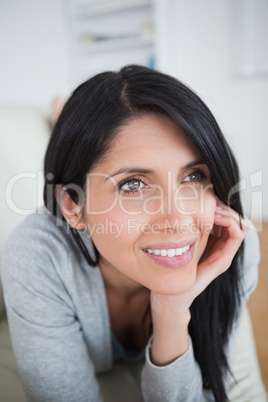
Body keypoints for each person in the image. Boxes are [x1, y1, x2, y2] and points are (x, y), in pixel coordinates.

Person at [0, 65, 263, 402]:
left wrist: (171, 311)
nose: (178, 219)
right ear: (72, 207)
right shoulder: (39, 254)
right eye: (133, 185)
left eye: (194, 176)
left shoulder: (230, 244)